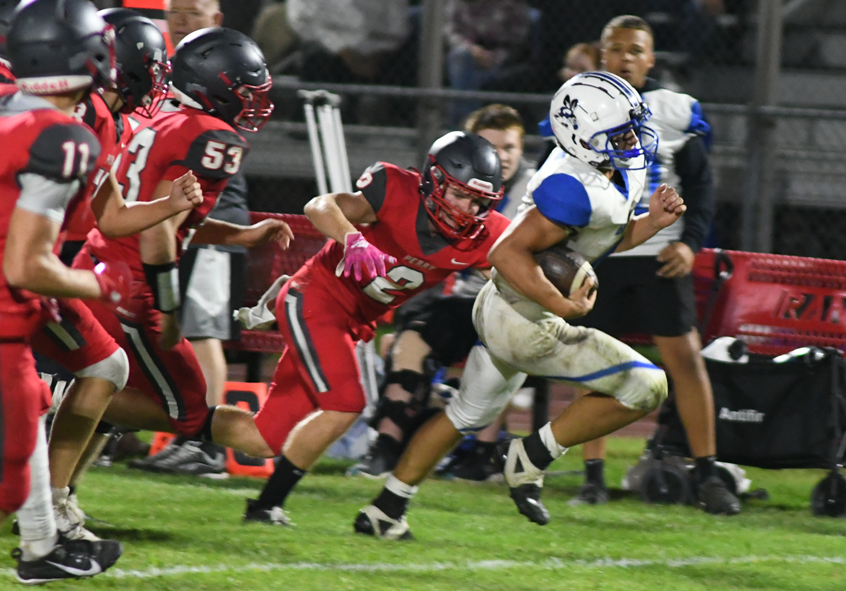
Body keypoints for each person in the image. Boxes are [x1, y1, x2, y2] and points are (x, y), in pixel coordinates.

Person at [354, 71, 686, 539]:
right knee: (647, 386)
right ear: (583, 135)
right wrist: (559, 303)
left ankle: (384, 511)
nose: (632, 139)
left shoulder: (608, 167)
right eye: (619, 132)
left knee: (466, 415)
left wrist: (650, 223)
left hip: (506, 307)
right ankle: (531, 456)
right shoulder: (571, 188)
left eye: (631, 127)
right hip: (525, 319)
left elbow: (604, 237)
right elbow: (505, 253)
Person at [212, 131, 510, 526]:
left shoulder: (484, 234)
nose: (469, 210)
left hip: (351, 321)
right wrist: (352, 238)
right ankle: (266, 507)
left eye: (479, 202)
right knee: (345, 403)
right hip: (315, 299)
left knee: (261, 439)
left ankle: (161, 414)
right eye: (461, 195)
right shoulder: (395, 190)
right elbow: (320, 205)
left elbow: (516, 270)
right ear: (434, 181)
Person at [69, 28, 290, 472]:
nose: (253, 102)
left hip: (97, 262)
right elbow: (158, 232)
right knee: (186, 412)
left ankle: (61, 495)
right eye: (246, 92)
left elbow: (162, 215)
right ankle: (53, 395)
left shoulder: (161, 118)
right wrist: (168, 313)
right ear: (215, 87)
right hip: (133, 286)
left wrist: (241, 235)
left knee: (111, 378)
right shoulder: (214, 137)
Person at [0, 0, 169, 580]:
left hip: (16, 286)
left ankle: (43, 547)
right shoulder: (64, 135)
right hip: (14, 286)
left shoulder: (20, 107)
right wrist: (98, 281)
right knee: (13, 451)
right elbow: (27, 262)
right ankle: (42, 542)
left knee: (42, 408)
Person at [569, 15, 739, 516]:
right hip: (602, 253)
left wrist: (689, 242)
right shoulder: (576, 106)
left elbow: (702, 187)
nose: (624, 58)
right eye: (615, 49)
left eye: (634, 50)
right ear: (602, 55)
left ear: (650, 59)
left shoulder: (672, 109)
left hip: (657, 255)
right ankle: (592, 476)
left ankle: (708, 474)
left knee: (685, 360)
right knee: (594, 366)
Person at [351, 104, 536, 481]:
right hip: (458, 297)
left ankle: (482, 452)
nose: (501, 156)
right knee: (412, 340)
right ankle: (386, 446)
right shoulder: (441, 188)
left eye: (510, 147)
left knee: (502, 336)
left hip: (513, 300)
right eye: (492, 146)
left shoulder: (538, 191)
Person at [129, 0, 252, 478]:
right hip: (168, 219)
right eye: (175, 10)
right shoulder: (172, 75)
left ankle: (205, 444)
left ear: (217, 20)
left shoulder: (221, 79)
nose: (181, 19)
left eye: (193, 10)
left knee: (200, 329)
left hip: (204, 218)